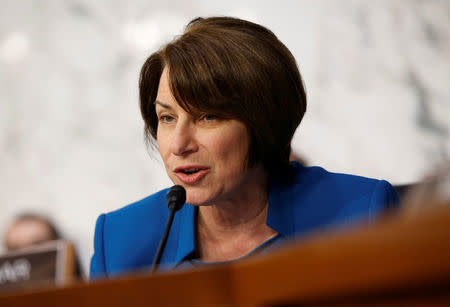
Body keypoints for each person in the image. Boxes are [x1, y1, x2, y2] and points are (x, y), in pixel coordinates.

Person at [90, 17, 399, 278]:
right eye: (167, 117)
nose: (179, 145)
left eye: (208, 116)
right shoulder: (119, 240)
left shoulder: (361, 215)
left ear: (264, 122)